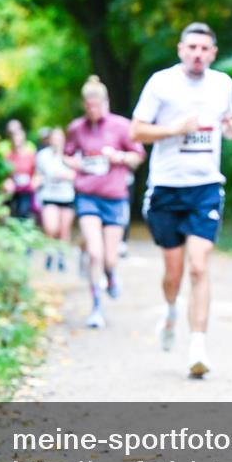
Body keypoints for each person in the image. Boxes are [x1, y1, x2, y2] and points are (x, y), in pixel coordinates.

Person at [130, 22, 232, 379]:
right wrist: (174, 129)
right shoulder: (161, 83)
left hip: (205, 186)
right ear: (181, 49)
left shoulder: (223, 84)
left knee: (199, 265)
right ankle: (169, 309)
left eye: (204, 49)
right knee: (173, 272)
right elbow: (136, 130)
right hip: (166, 187)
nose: (197, 54)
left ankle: (198, 347)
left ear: (213, 53)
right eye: (191, 47)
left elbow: (229, 118)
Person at [65, 76, 146, 329]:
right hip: (87, 195)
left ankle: (111, 276)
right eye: (88, 107)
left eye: (97, 106)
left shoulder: (121, 126)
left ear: (106, 102)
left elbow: (138, 156)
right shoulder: (77, 128)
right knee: (94, 252)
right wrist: (74, 164)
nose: (93, 111)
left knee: (110, 258)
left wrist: (119, 157)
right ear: (84, 105)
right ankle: (96, 307)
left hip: (114, 197)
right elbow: (67, 155)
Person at [35, 127, 77, 271]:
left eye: (59, 138)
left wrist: (68, 175)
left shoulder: (71, 154)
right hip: (49, 196)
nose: (56, 141)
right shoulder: (42, 156)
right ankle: (49, 254)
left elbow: (79, 174)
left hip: (67, 197)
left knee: (64, 231)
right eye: (54, 138)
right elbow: (38, 174)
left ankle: (61, 258)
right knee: (51, 228)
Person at [2, 119, 36, 220]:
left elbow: (36, 171)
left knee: (24, 212)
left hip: (26, 189)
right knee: (12, 212)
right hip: (12, 190)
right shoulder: (7, 155)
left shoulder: (30, 153)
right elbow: (4, 174)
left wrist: (33, 182)